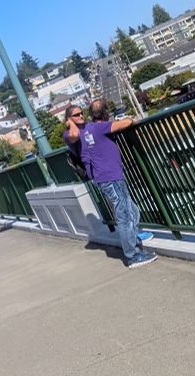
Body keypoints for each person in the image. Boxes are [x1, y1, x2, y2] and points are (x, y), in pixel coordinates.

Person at [67, 99, 157, 269]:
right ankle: (132, 255)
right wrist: (130, 119)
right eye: (76, 115)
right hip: (110, 177)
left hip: (107, 177)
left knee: (132, 209)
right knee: (124, 215)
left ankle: (135, 238)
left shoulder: (89, 128)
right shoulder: (83, 131)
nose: (80, 116)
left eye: (81, 113)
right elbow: (125, 123)